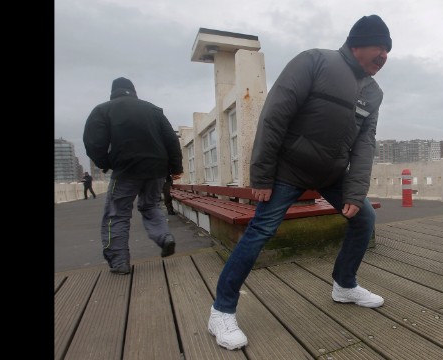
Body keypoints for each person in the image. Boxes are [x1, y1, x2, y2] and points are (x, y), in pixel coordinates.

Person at [207, 15, 392, 350]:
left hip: (332, 174)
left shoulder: (374, 92)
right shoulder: (316, 61)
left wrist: (355, 190)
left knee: (364, 218)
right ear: (358, 43)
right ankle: (221, 310)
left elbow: (365, 143)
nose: (384, 57)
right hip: (288, 170)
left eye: (388, 52)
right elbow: (275, 113)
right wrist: (261, 174)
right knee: (260, 231)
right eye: (380, 48)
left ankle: (344, 285)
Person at [83, 77, 184, 275]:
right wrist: (175, 167)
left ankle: (119, 262)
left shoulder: (103, 110)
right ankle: (164, 237)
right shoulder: (153, 110)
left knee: (117, 214)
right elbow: (171, 139)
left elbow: (93, 143)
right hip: (156, 170)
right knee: (151, 206)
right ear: (133, 91)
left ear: (113, 92)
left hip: (126, 170)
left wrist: (107, 163)